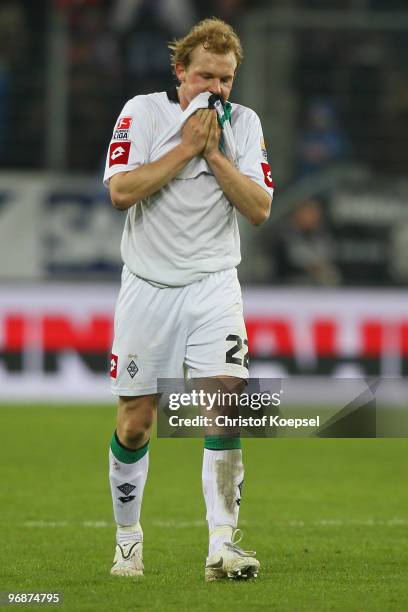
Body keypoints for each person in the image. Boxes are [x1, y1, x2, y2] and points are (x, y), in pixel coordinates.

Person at [103, 17, 274, 581]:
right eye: (206, 77)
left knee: (225, 404)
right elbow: (121, 192)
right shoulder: (143, 112)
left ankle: (222, 547)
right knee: (136, 423)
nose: (217, 90)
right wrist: (185, 150)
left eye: (226, 80)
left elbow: (259, 209)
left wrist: (216, 154)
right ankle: (129, 541)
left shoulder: (244, 126)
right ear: (180, 72)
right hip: (148, 288)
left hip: (213, 286)